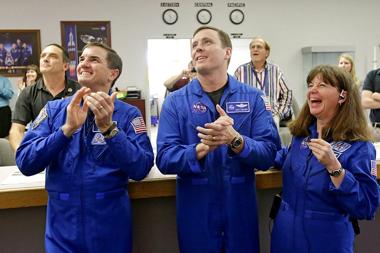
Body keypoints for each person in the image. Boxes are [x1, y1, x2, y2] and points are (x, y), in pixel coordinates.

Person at [16, 42, 154, 253]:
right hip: (62, 226)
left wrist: (110, 130)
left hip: (110, 225)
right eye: (82, 59)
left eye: (94, 60)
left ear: (112, 74)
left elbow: (141, 167)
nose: (83, 64)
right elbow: (25, 161)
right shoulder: (54, 110)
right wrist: (66, 130)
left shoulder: (128, 114)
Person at [156, 26, 281, 253]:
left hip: (239, 208)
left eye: (206, 42)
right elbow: (164, 159)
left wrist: (237, 141)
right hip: (196, 209)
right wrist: (200, 149)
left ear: (227, 52)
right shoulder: (175, 102)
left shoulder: (253, 98)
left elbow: (269, 152)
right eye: (194, 45)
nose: (198, 48)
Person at [271, 65, 379, 253]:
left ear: (343, 96)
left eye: (322, 85)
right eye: (310, 84)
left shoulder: (360, 147)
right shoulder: (301, 136)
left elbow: (367, 207)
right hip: (284, 237)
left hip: (326, 241)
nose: (312, 89)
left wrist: (335, 168)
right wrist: (239, 142)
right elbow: (278, 157)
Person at [9, 43, 80, 151]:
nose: (45, 59)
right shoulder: (28, 92)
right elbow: (17, 129)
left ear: (65, 66)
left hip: (74, 152)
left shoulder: (79, 91)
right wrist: (22, 156)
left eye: (52, 56)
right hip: (43, 152)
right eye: (43, 56)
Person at [234, 36, 292, 127]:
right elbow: (233, 94)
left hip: (270, 117)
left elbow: (287, 93)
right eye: (252, 47)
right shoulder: (240, 71)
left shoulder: (275, 71)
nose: (255, 49)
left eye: (259, 47)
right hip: (247, 118)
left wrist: (279, 114)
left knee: (271, 141)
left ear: (267, 52)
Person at [361, 67, 380, 140]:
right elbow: (365, 102)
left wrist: (377, 96)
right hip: (377, 131)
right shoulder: (372, 75)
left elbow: (374, 95)